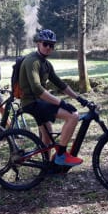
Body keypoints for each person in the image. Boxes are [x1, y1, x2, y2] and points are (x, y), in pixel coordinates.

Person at [19, 29, 88, 166]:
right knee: (72, 116)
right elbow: (37, 89)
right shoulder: (33, 61)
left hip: (37, 102)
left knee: (47, 135)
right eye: (46, 44)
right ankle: (61, 156)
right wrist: (61, 103)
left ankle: (47, 166)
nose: (48, 48)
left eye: (52, 45)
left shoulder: (45, 63)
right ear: (38, 43)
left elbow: (60, 84)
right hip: (32, 103)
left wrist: (78, 98)